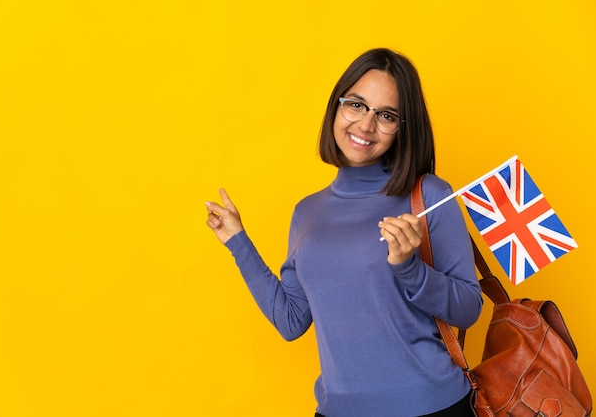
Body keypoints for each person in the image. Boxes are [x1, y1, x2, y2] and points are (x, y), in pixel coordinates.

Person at [205, 48, 482, 417]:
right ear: (337, 106)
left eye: (386, 116)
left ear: (404, 127)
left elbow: (468, 309)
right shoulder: (307, 212)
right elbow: (290, 321)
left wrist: (409, 269)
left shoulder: (429, 194)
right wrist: (238, 242)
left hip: (431, 407)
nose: (365, 126)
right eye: (356, 105)